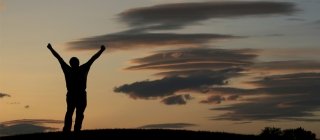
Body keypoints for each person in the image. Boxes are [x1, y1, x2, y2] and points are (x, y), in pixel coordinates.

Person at [47, 43, 105, 132]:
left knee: (78, 113)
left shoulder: (80, 68)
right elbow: (59, 58)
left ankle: (75, 129)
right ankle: (68, 129)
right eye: (73, 63)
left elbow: (93, 58)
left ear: (77, 63)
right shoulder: (71, 69)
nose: (74, 64)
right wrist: (51, 49)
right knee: (71, 112)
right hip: (73, 94)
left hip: (80, 94)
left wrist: (101, 51)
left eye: (75, 63)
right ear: (72, 64)